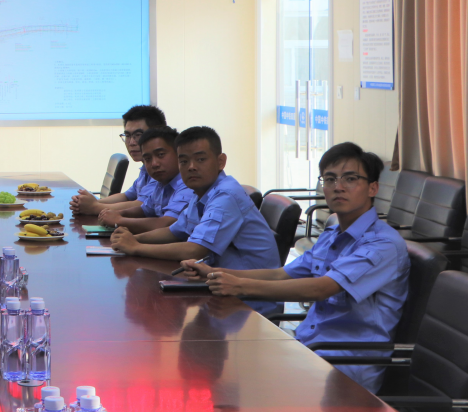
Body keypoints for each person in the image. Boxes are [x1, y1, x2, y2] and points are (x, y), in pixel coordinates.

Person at [179, 142, 409, 393]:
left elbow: (320, 289)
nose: (338, 187)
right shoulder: (332, 234)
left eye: (351, 179)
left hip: (346, 369)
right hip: (309, 350)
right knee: (222, 376)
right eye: (330, 179)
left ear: (373, 188)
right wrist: (217, 273)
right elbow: (281, 274)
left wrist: (239, 286)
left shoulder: (382, 244)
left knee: (235, 388)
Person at [110, 126, 279, 271]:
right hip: (219, 280)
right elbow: (174, 232)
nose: (191, 167)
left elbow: (195, 250)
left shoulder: (226, 195)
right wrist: (132, 239)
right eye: (183, 161)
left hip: (250, 292)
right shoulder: (200, 192)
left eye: (200, 159)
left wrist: (136, 247)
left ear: (221, 161)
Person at [71, 105, 167, 216]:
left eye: (138, 135)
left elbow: (140, 205)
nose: (131, 142)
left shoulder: (161, 169)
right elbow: (126, 196)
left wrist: (95, 207)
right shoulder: (145, 168)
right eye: (127, 135)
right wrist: (92, 202)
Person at [98, 127, 194, 234]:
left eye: (161, 155)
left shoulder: (188, 184)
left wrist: (119, 220)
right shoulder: (161, 184)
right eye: (147, 159)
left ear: (179, 154)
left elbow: (167, 223)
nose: (154, 164)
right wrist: (119, 213)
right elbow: (144, 209)